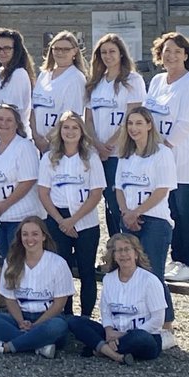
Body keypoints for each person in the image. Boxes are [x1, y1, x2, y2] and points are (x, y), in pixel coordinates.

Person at [144, 32, 189, 281]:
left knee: (184, 208)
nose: (171, 56)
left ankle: (188, 262)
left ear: (186, 55)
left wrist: (166, 146)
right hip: (160, 156)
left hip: (183, 157)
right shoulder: (158, 81)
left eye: (177, 52)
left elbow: (187, 122)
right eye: (167, 51)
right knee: (169, 209)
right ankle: (176, 258)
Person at [115, 105, 177, 346]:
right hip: (129, 220)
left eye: (139, 123)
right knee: (132, 271)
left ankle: (167, 326)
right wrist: (126, 213)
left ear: (149, 125)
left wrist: (137, 212)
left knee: (153, 274)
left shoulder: (162, 153)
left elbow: (162, 189)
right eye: (130, 124)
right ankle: (139, 320)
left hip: (155, 221)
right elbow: (119, 188)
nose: (134, 128)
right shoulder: (125, 155)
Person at [37, 111, 105, 316]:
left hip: (85, 220)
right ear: (59, 131)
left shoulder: (91, 157)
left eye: (75, 128)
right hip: (57, 219)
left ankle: (85, 316)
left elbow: (96, 193)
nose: (70, 131)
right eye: (66, 127)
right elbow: (43, 193)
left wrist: (73, 220)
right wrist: (61, 221)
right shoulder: (49, 157)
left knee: (86, 271)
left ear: (82, 131)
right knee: (61, 271)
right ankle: (65, 315)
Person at [0, 216, 72, 357]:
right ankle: (37, 346)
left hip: (47, 319)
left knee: (58, 326)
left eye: (35, 234)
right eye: (25, 234)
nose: (29, 239)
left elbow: (59, 304)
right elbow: (10, 298)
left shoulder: (58, 263)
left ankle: (7, 347)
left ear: (44, 237)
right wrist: (21, 321)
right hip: (20, 318)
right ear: (20, 238)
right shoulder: (11, 261)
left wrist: (36, 325)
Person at [67, 233, 167, 364]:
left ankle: (100, 349)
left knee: (140, 338)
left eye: (127, 249)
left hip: (142, 335)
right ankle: (115, 355)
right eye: (119, 250)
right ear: (113, 256)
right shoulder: (109, 279)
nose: (123, 254)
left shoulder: (150, 280)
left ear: (136, 254)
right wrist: (109, 331)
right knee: (74, 322)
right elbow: (106, 311)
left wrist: (123, 335)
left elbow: (158, 320)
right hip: (113, 333)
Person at [84, 33, 146, 236]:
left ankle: (128, 243)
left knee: (119, 200)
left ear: (121, 54)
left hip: (120, 152)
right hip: (98, 153)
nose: (108, 56)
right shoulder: (96, 83)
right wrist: (97, 144)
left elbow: (132, 116)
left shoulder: (132, 80)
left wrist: (109, 145)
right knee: (107, 203)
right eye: (103, 52)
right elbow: (89, 119)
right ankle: (115, 244)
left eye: (112, 51)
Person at [0, 104, 44, 260]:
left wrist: (4, 205)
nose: (4, 123)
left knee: (21, 263)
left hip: (21, 218)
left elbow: (28, 181)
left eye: (9, 120)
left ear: (17, 124)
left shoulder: (24, 147)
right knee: (8, 263)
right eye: (0, 119)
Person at [32, 30, 88, 152]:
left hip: (59, 144)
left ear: (75, 51)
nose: (60, 53)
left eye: (65, 49)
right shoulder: (44, 74)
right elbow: (33, 108)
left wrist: (47, 140)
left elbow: (70, 117)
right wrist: (36, 137)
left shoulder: (76, 78)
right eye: (56, 49)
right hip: (37, 143)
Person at [0, 28, 35, 145]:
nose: (2, 52)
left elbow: (11, 113)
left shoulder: (19, 74)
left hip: (12, 140)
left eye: (7, 48)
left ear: (16, 51)